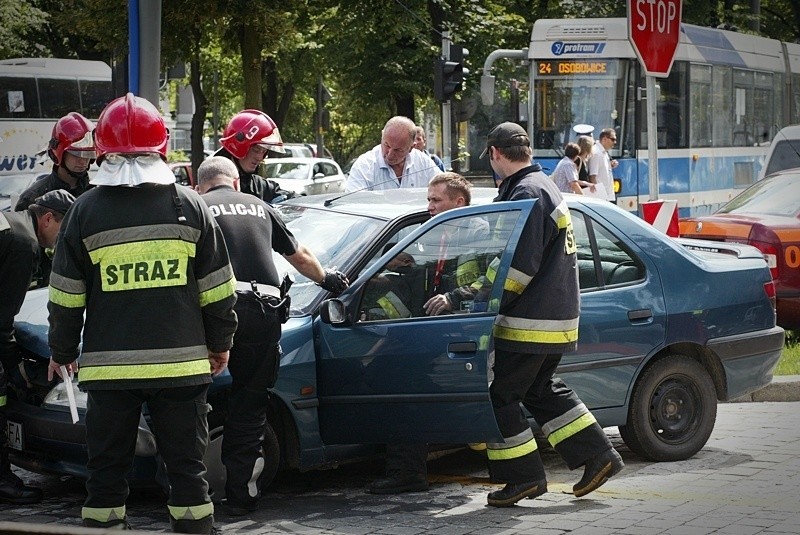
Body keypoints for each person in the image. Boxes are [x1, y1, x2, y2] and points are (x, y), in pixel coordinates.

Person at [46, 93, 238, 533]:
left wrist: (61, 350)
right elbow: (218, 290)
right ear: (162, 145)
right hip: (182, 367)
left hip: (110, 372)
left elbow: (66, 295)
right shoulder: (190, 205)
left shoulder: (84, 212)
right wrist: (221, 344)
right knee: (189, 474)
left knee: (105, 478)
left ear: (102, 149)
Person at [480, 122, 623, 507]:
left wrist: (484, 300)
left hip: (528, 323)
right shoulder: (543, 186)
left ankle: (523, 478)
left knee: (501, 397)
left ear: (495, 154)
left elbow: (518, 269)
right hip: (554, 318)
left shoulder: (526, 193)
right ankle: (599, 456)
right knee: (540, 390)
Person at [196, 156, 349, 515]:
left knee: (190, 404)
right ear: (235, 182)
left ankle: (189, 492)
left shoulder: (194, 207)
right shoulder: (259, 205)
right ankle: (242, 495)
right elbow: (299, 255)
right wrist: (327, 280)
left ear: (200, 185)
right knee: (250, 405)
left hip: (213, 311)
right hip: (263, 311)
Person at [367, 172, 485, 495]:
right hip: (431, 327)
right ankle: (407, 469)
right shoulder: (434, 233)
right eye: (428, 200)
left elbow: (488, 281)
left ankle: (406, 472)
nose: (429, 207)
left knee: (408, 393)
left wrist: (453, 297)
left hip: (461, 329)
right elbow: (419, 277)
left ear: (458, 202)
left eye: (436, 200)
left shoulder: (479, 231)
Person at [0, 189, 75, 505]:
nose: (62, 241)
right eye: (63, 230)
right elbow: (2, 320)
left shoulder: (9, 222)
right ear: (47, 219)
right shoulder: (24, 243)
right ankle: (3, 483)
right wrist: (16, 369)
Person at [14, 112, 95, 211]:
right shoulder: (31, 198)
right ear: (59, 153)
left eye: (88, 155)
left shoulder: (97, 192)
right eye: (77, 154)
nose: (83, 162)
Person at [216, 109, 295, 204]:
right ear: (237, 147)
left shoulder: (259, 186)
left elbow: (295, 199)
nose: (259, 157)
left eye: (264, 151)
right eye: (256, 150)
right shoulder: (213, 185)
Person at [345, 116, 439, 192]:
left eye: (398, 150)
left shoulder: (423, 162)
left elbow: (445, 191)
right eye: (386, 145)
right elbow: (353, 204)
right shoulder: (364, 166)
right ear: (382, 136)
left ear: (411, 147)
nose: (390, 154)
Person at [588, 128, 619, 203]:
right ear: (604, 139)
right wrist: (598, 197)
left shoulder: (603, 152)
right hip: (602, 197)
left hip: (608, 195)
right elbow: (592, 176)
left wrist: (610, 165)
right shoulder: (596, 153)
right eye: (613, 139)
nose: (615, 142)